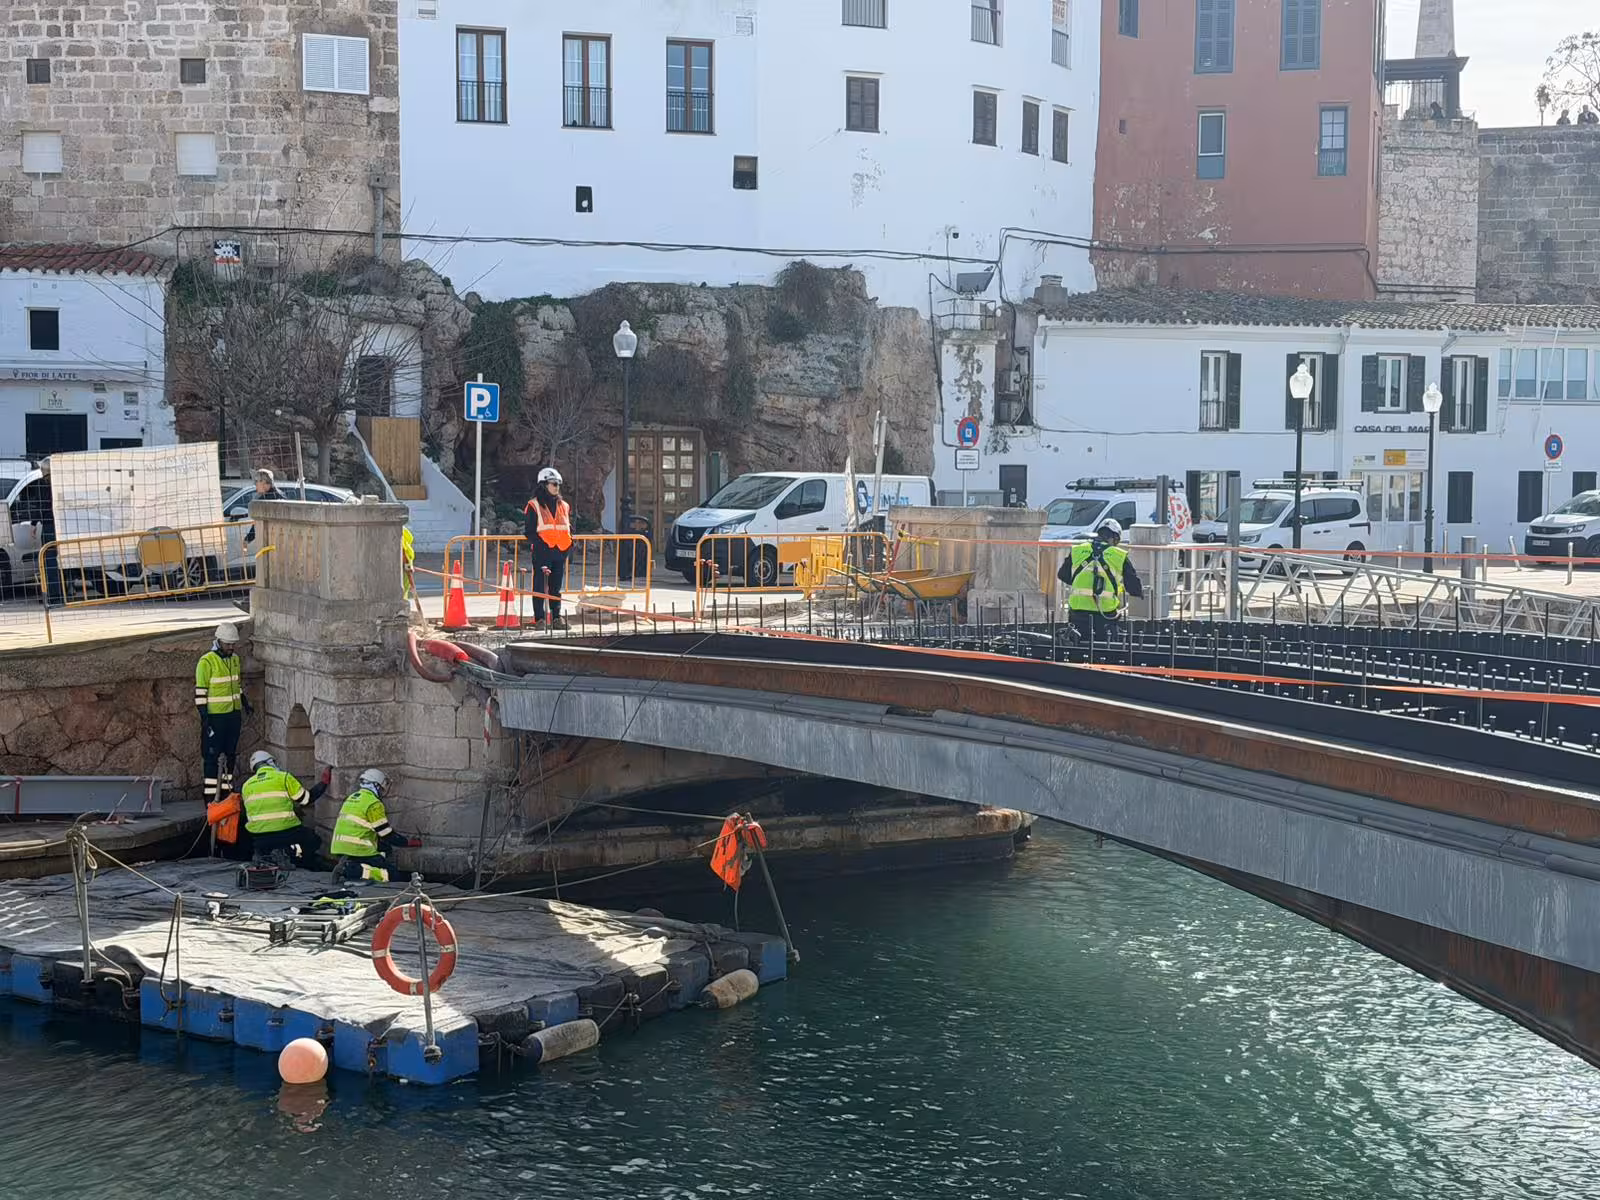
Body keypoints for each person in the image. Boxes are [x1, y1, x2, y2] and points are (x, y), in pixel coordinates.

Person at [328, 768, 421, 883]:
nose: (383, 792)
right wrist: (408, 842)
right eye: (382, 788)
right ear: (376, 786)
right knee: (391, 875)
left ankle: (351, 865)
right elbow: (386, 834)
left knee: (385, 849)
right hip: (358, 849)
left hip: (341, 847)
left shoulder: (353, 797)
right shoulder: (374, 804)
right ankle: (351, 869)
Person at [1058, 518, 1143, 642]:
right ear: (1115, 538)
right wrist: (1138, 592)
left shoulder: (1078, 550)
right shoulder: (1118, 555)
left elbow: (1062, 575)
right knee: (1105, 645)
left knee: (1077, 644)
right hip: (1105, 614)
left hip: (1078, 613)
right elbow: (1134, 586)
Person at [240, 749, 329, 865]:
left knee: (267, 845)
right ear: (270, 762)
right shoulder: (283, 777)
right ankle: (293, 857)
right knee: (314, 840)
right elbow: (306, 799)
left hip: (259, 837)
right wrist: (323, 783)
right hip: (287, 832)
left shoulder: (246, 786)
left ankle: (269, 856)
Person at [195, 622, 250, 808]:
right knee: (212, 758)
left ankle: (226, 793)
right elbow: (200, 693)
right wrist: (205, 718)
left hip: (233, 716)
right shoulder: (206, 662)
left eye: (233, 644)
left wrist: (244, 703)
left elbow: (236, 685)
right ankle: (210, 799)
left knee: (230, 755)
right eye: (228, 644)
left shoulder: (234, 659)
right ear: (218, 641)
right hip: (215, 718)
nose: (231, 647)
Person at [523, 466, 574, 630]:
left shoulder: (564, 505)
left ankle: (556, 618)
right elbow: (529, 532)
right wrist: (542, 546)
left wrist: (569, 546)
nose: (557, 487)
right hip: (542, 552)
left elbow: (567, 528)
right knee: (539, 586)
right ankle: (539, 619)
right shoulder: (534, 505)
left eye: (558, 484)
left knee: (555, 587)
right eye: (554, 484)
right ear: (544, 485)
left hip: (560, 551)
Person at [19, 460, 64, 607]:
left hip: (50, 527)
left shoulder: (43, 485)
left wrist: (33, 524)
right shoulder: (62, 483)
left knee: (49, 561)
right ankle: (66, 592)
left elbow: (41, 506)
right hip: (63, 527)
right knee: (64, 560)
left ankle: (54, 596)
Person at [243, 468, 282, 551]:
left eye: (256, 482)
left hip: (272, 542)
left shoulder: (264, 501)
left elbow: (257, 523)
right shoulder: (280, 495)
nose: (255, 485)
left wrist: (247, 539)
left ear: (264, 482)